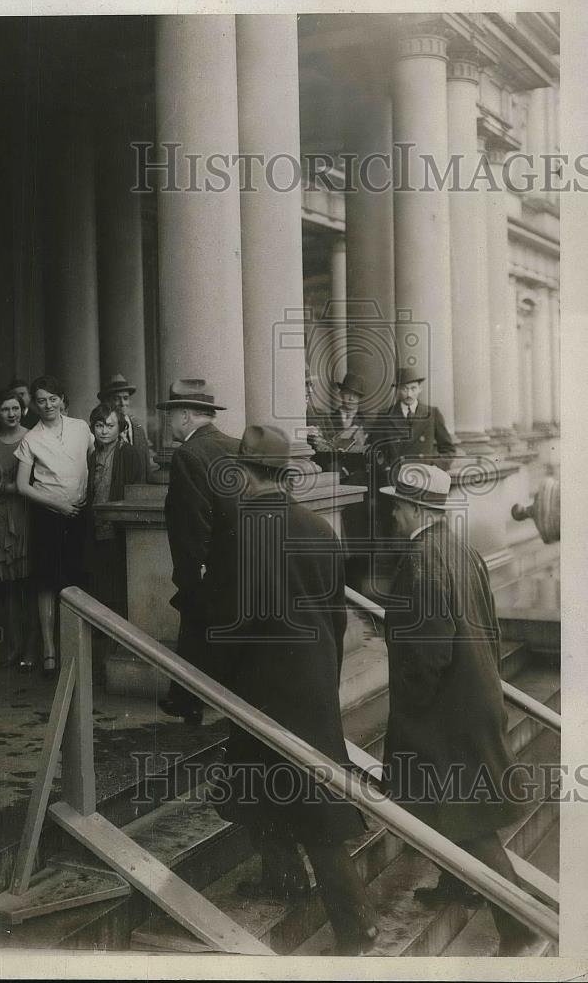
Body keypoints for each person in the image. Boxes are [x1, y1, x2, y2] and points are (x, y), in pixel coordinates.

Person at [205, 425, 378, 956]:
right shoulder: (320, 529)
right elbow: (335, 615)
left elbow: (228, 621)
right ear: (285, 474)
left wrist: (215, 681)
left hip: (260, 690)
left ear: (243, 473)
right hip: (311, 685)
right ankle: (284, 879)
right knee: (277, 790)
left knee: (307, 810)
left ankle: (357, 928)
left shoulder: (240, 530)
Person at [379, 463, 540, 956]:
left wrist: (412, 709)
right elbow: (487, 630)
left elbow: (427, 652)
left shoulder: (421, 558)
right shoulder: (461, 549)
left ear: (412, 509)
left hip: (442, 714)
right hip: (472, 701)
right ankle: (458, 883)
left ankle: (517, 923)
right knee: (449, 808)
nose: (392, 515)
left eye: (396, 507)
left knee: (467, 818)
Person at [156, 378, 240, 725]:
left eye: (172, 415)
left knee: (195, 625)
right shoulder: (235, 445)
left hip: (210, 566)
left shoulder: (188, 456)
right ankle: (187, 698)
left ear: (187, 416)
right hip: (239, 562)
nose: (169, 423)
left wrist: (189, 576)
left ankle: (186, 700)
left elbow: (192, 522)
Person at [14, 375, 93, 677]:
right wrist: (58, 504)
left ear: (62, 399)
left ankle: (76, 648)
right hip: (49, 516)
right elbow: (22, 485)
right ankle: (49, 650)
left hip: (79, 514)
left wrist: (78, 501)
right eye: (41, 400)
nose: (48, 405)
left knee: (75, 578)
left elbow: (89, 463)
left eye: (53, 398)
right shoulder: (31, 438)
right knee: (47, 580)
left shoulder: (81, 428)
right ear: (34, 403)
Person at [0, 388, 35, 672]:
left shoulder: (33, 437)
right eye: (5, 409)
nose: (11, 414)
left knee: (30, 584)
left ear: (22, 409)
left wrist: (8, 487)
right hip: (1, 519)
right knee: (10, 588)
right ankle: (15, 649)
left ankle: (32, 649)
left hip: (28, 515)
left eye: (15, 408)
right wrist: (9, 487)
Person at [87, 402, 144, 616]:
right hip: (96, 526)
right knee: (100, 579)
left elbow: (135, 490)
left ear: (120, 428)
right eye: (99, 425)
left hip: (119, 528)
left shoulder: (128, 453)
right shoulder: (94, 455)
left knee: (119, 580)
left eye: (110, 426)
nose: (103, 430)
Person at [377, 366, 456, 480]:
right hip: (396, 479)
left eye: (413, 388)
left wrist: (435, 466)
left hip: (425, 477)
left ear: (420, 389)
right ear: (398, 390)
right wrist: (386, 469)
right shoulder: (385, 415)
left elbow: (448, 449)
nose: (409, 394)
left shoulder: (432, 414)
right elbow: (376, 449)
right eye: (404, 389)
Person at [98, 373, 154, 480]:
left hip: (137, 491)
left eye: (125, 398)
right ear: (108, 402)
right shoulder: (102, 431)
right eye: (116, 398)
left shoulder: (138, 429)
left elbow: (147, 468)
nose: (122, 403)